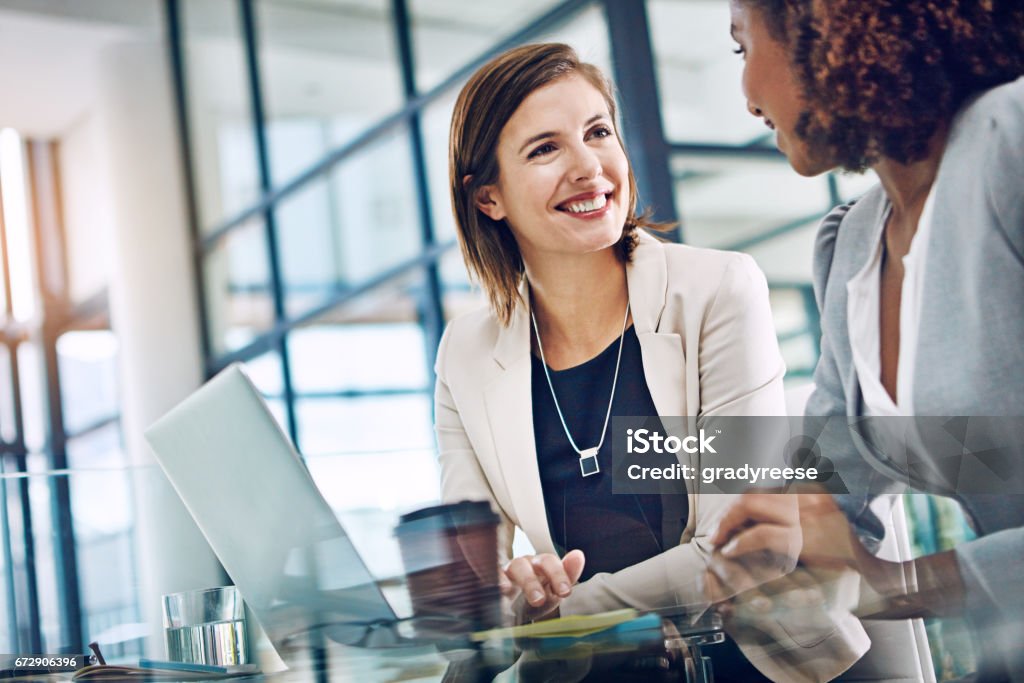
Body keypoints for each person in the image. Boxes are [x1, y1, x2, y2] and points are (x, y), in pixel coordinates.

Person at [435, 42, 867, 682]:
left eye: (598, 132)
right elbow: (471, 586)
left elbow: (747, 552)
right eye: (545, 148)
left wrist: (564, 614)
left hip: (755, 663)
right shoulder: (464, 355)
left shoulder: (719, 288)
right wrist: (509, 592)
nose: (589, 166)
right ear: (488, 198)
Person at [715, 0, 1024, 679]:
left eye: (743, 49)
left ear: (817, 27)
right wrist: (769, 547)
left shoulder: (1012, 140)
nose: (746, 96)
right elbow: (829, 488)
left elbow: (871, 573)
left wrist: (892, 581)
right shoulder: (853, 244)